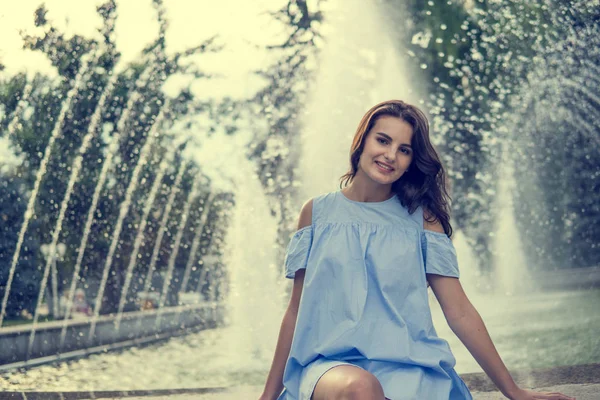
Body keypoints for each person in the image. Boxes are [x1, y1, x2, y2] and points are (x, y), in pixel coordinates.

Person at [259, 100, 575, 400]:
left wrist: (513, 390)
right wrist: (267, 395)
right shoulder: (316, 213)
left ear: (412, 161)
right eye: (382, 140)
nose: (390, 155)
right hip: (332, 370)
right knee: (359, 387)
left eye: (404, 150)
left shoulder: (423, 220)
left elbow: (460, 311)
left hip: (412, 366)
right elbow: (296, 310)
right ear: (362, 141)